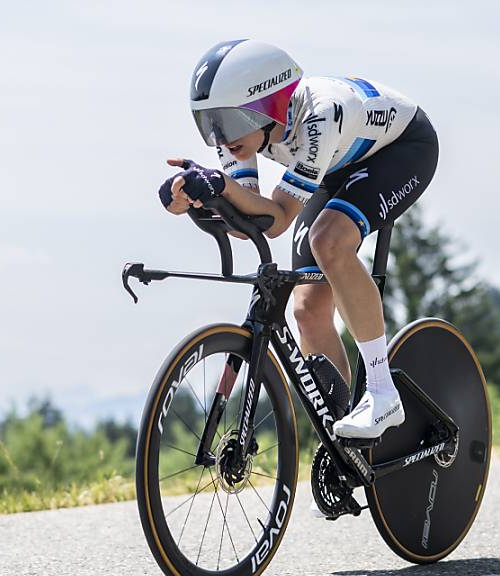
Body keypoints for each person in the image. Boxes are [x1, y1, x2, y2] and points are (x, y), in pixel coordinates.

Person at [158, 39, 439, 439]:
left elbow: (277, 220)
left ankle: (382, 391)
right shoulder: (238, 138)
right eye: (209, 123)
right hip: (335, 166)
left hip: (400, 151)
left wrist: (221, 186)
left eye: (228, 120)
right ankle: (343, 451)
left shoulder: (318, 114)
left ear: (268, 106)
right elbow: (247, 221)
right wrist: (198, 198)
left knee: (329, 241)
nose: (220, 137)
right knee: (307, 308)